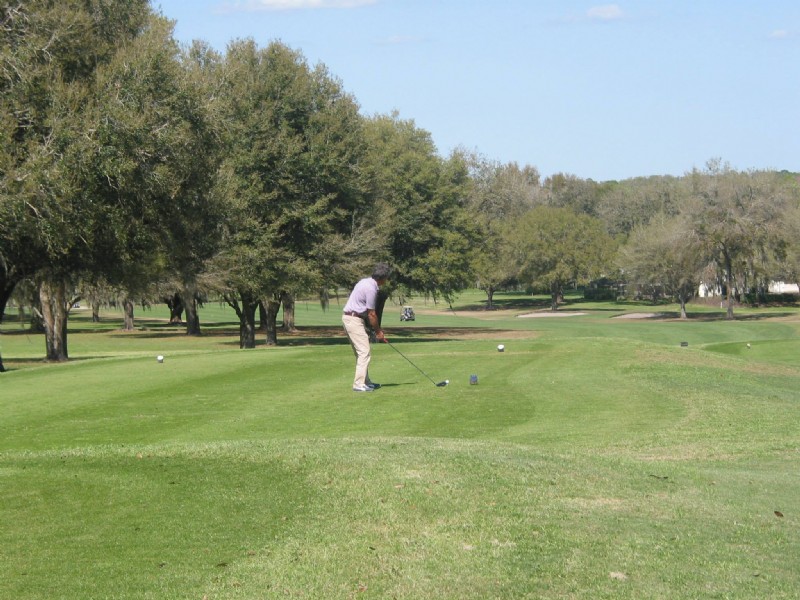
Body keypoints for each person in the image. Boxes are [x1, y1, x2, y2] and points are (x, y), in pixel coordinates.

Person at [342, 263, 390, 392]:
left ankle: (365, 382)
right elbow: (371, 313)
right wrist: (379, 331)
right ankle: (358, 384)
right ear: (383, 278)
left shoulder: (365, 282)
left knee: (361, 352)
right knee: (364, 352)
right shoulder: (371, 289)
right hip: (354, 319)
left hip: (352, 318)